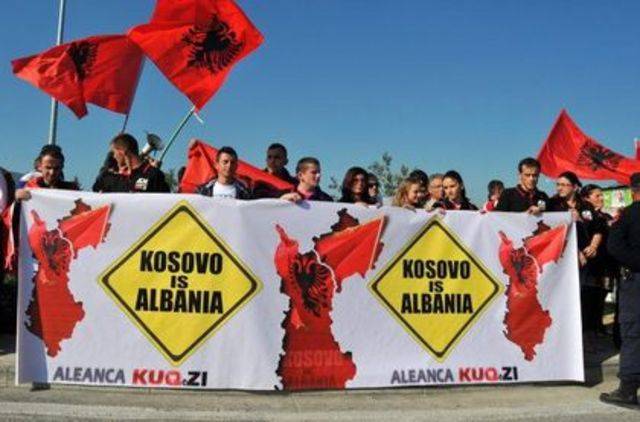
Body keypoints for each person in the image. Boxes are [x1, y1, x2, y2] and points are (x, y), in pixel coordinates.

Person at [600, 172, 640, 407]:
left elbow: (614, 246)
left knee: (633, 332)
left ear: (633, 191)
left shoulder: (629, 215)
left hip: (635, 281)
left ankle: (628, 389)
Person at [582, 184, 618, 338]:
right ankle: (588, 328)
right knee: (588, 296)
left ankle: (598, 325)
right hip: (589, 266)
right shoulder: (584, 216)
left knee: (602, 294)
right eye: (597, 196)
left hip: (606, 265)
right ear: (586, 198)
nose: (601, 198)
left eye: (601, 195)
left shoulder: (607, 217)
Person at [92, 134, 170, 193]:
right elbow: (97, 187)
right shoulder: (113, 178)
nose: (114, 157)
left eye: (114, 153)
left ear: (122, 152)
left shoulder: (154, 175)